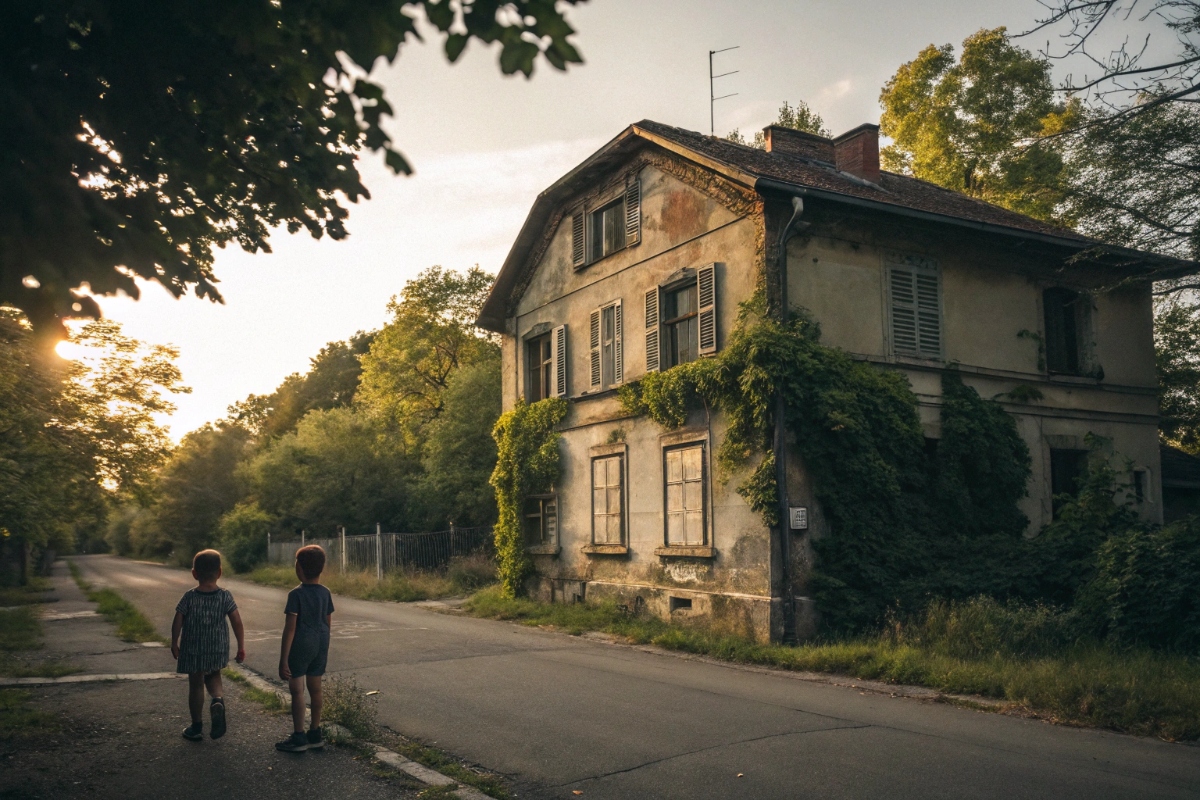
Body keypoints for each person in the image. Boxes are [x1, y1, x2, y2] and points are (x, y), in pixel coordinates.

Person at [171, 549, 246, 741]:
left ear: (194, 573)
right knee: (213, 676)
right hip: (217, 647)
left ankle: (196, 727)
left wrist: (174, 642)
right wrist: (241, 646)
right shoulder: (225, 596)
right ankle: (217, 700)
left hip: (193, 648)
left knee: (196, 685)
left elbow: (178, 619)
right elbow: (236, 620)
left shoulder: (189, 596)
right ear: (219, 572)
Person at [275, 544, 335, 752]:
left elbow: (290, 629)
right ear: (321, 569)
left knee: (297, 690)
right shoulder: (325, 593)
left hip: (302, 643)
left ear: (299, 568)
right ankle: (315, 732)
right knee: (316, 688)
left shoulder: (296, 595)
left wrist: (284, 659)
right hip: (321, 642)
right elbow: (328, 622)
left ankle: (299, 736)